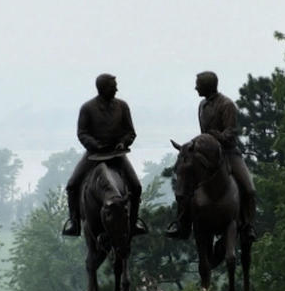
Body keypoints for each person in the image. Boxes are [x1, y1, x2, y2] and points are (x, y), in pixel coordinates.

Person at [166, 71, 256, 242]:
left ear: (207, 85)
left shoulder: (227, 104)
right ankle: (182, 223)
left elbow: (231, 132)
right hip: (207, 153)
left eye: (198, 85)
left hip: (229, 153)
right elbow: (204, 133)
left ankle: (248, 225)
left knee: (249, 189)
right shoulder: (202, 105)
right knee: (185, 183)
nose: (196, 88)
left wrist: (217, 136)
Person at [62, 73, 147, 237]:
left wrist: (123, 143)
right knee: (72, 185)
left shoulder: (122, 106)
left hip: (117, 154)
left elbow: (130, 132)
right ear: (102, 88)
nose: (116, 90)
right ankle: (74, 223)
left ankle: (133, 222)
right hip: (94, 155)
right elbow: (82, 133)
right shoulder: (87, 108)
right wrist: (95, 145)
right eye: (113, 87)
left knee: (136, 186)